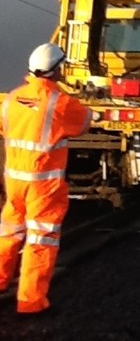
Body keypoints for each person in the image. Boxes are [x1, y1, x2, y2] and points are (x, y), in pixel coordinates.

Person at [0, 43, 94, 315]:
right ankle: (31, 301)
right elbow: (85, 122)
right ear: (56, 71)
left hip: (14, 180)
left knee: (9, 232)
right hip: (43, 183)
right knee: (42, 239)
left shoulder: (11, 99)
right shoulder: (61, 102)